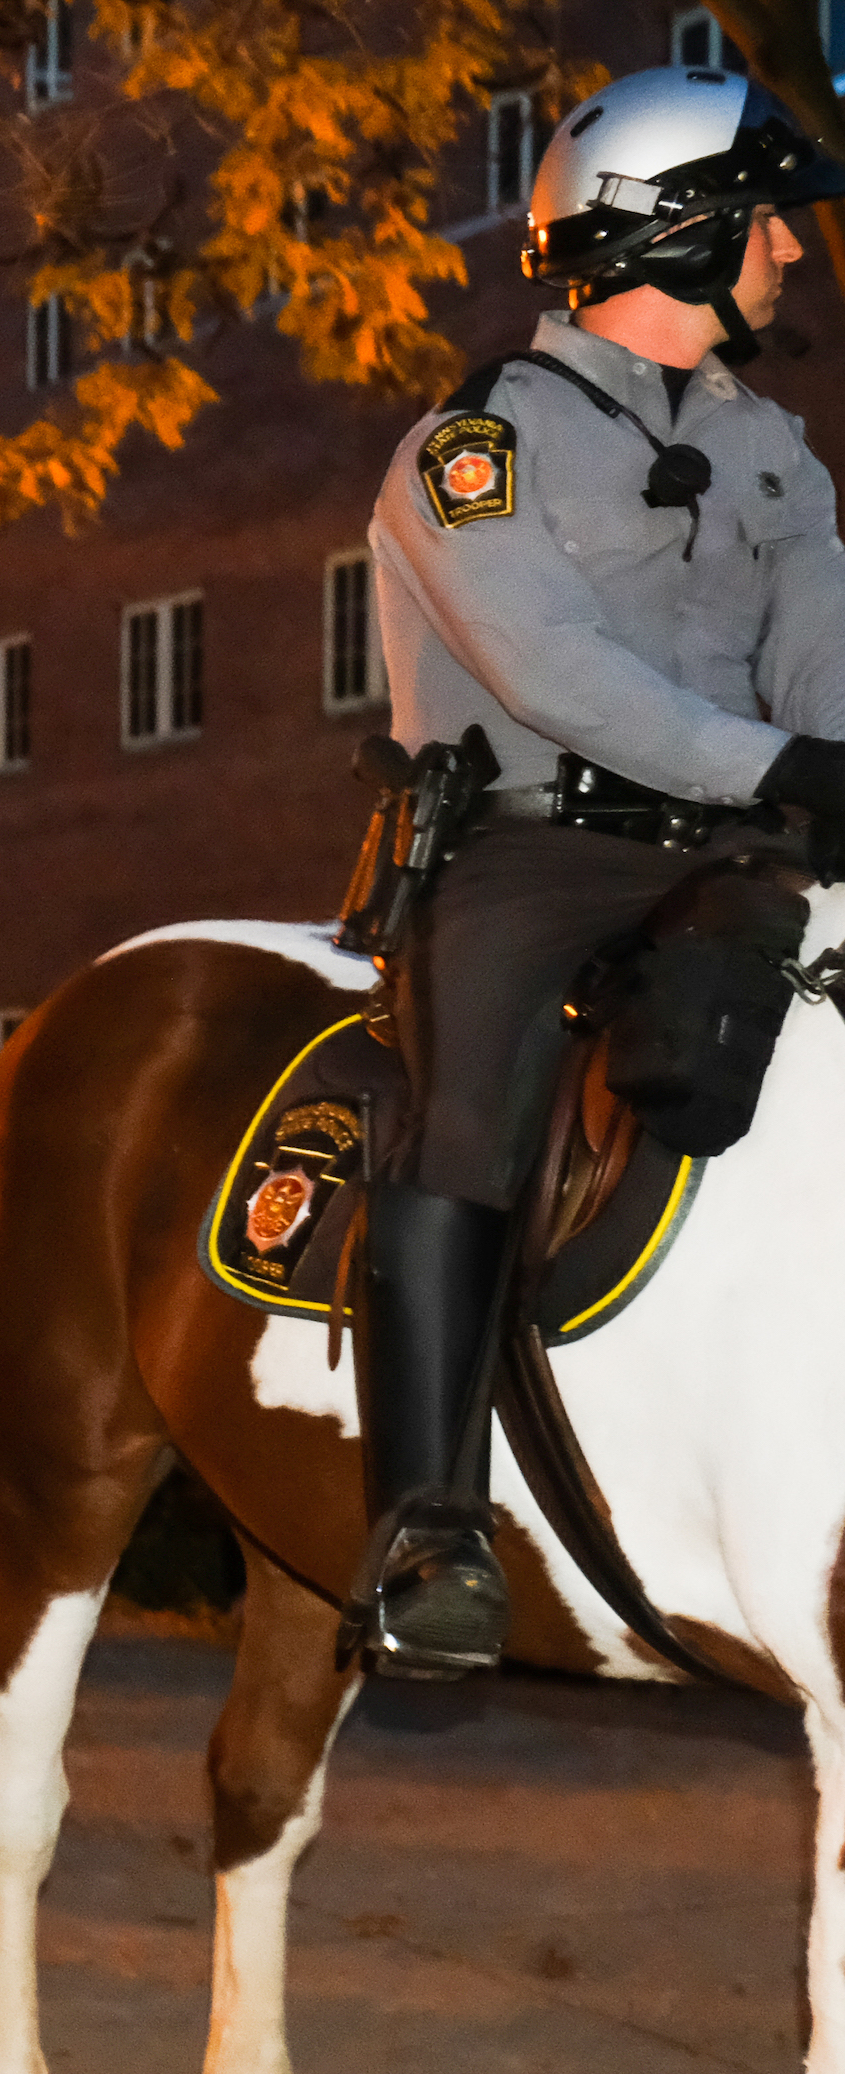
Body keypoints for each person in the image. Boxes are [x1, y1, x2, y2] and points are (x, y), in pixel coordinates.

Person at [359, 64, 845, 1676]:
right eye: (768, 218)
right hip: (534, 848)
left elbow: (823, 674)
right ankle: (425, 1523)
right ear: (683, 234)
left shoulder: (778, 453)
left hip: (741, 836)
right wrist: (776, 767)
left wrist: (826, 770)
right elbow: (551, 666)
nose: (792, 250)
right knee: (469, 1106)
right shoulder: (476, 445)